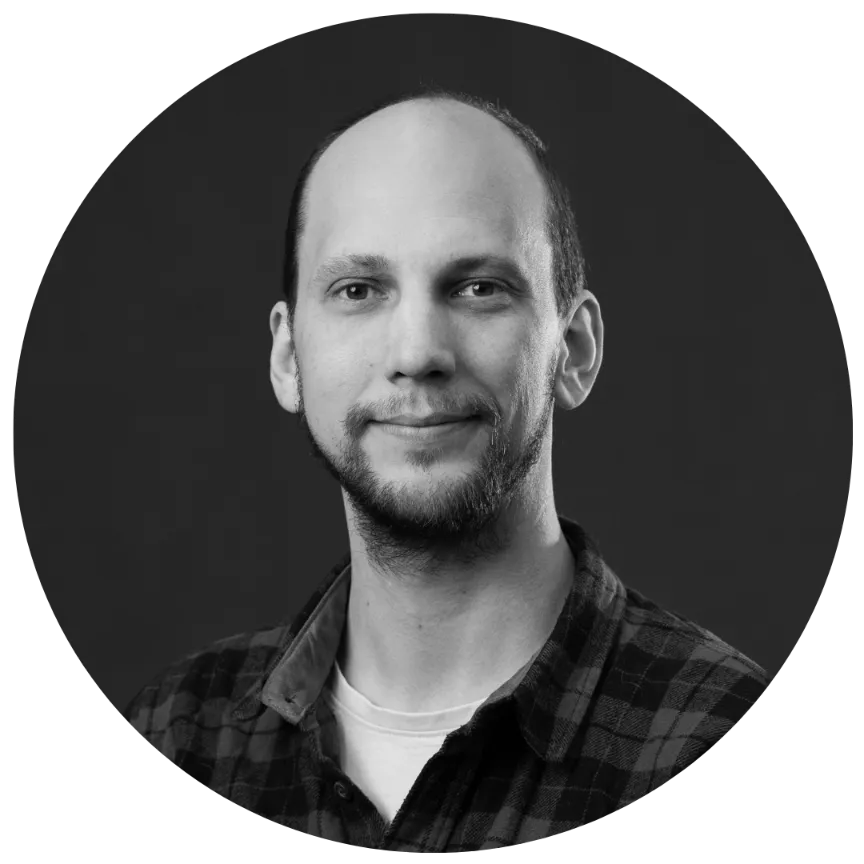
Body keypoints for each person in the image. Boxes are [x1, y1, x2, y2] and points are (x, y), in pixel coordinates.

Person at [122, 84, 773, 851]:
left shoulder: (713, 731)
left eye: (477, 289)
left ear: (574, 351)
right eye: (358, 290)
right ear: (289, 357)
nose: (417, 353)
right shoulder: (176, 737)